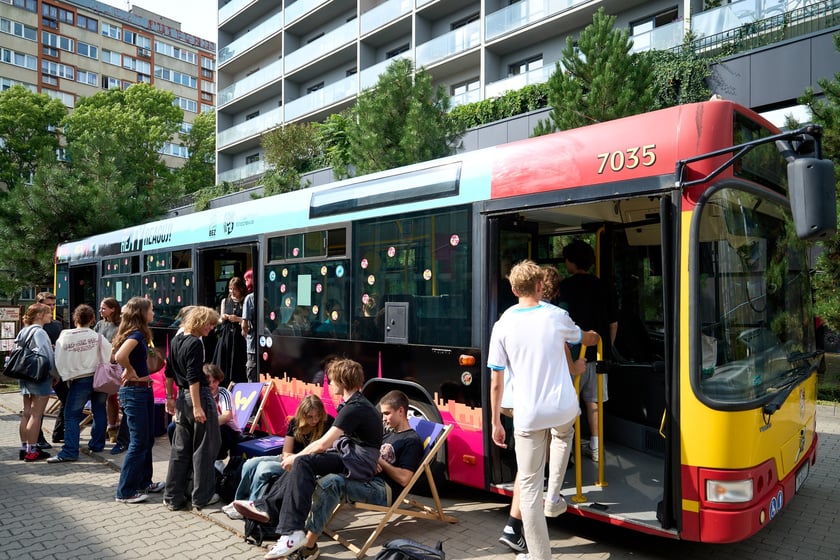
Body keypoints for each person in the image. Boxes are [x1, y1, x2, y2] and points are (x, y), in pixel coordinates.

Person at [489, 259, 599, 560]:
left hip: (528, 414)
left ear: (513, 289)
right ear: (540, 286)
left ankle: (539, 555)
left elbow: (496, 381)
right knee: (564, 436)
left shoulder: (503, 325)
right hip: (563, 408)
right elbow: (581, 338)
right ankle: (554, 496)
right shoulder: (557, 316)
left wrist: (495, 420)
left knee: (527, 486)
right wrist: (595, 337)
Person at [258, 358, 383, 559]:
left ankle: (292, 532)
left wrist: (295, 457)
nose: (330, 383)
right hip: (352, 457)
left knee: (302, 461)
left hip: (357, 462)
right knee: (303, 464)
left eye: (332, 380)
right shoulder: (355, 404)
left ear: (342, 381)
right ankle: (281, 522)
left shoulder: (355, 407)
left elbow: (323, 444)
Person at [296, 390, 424, 560]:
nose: (384, 418)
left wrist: (381, 462)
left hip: (382, 489)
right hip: (366, 475)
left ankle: (309, 547)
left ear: (401, 411)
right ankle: (297, 531)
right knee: (314, 471)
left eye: (387, 413)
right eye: (382, 414)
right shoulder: (387, 433)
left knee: (331, 483)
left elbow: (404, 478)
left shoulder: (412, 440)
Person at [221, 394, 333, 520]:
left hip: (307, 464)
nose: (314, 420)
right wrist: (289, 458)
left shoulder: (327, 422)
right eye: (310, 417)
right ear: (302, 415)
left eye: (317, 416)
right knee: (249, 463)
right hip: (288, 458)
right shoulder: (295, 423)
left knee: (264, 468)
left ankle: (254, 506)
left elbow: (325, 451)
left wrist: (293, 459)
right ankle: (239, 501)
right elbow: (286, 452)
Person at [558, 240, 618, 463]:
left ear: (571, 261)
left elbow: (562, 322)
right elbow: (613, 323)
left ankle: (569, 450)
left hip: (573, 357)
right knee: (594, 402)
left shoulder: (565, 287)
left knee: (569, 403)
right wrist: (605, 349)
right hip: (599, 355)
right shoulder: (604, 286)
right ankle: (595, 446)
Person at [163, 305, 222, 511]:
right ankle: (201, 497)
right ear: (199, 322)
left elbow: (168, 371)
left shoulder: (177, 339)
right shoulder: (195, 343)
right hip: (197, 398)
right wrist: (198, 406)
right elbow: (193, 378)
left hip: (180, 398)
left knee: (180, 450)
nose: (212, 328)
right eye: (209, 323)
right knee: (204, 448)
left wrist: (170, 397)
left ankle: (172, 496)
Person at [113, 297, 165, 504]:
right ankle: (125, 492)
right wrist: (130, 369)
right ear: (141, 313)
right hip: (135, 392)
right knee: (138, 442)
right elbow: (118, 356)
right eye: (151, 309)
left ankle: (144, 481)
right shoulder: (135, 334)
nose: (153, 313)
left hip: (141, 391)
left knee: (146, 440)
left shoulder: (136, 334)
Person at [48, 304, 110, 462]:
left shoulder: (65, 335)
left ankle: (70, 451)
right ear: (92, 319)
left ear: (75, 318)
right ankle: (97, 445)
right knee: (100, 411)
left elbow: (58, 357)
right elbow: (109, 356)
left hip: (79, 379)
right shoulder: (98, 337)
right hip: (99, 378)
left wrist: (61, 375)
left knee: (71, 415)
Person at [16, 303, 57, 462]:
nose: (51, 315)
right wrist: (55, 374)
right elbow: (47, 356)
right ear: (39, 315)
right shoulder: (40, 333)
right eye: (48, 313)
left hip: (24, 375)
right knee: (36, 415)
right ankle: (32, 451)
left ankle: (24, 447)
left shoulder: (24, 331)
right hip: (39, 376)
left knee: (26, 413)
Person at [35, 291, 64, 447]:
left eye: (53, 305)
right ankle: (37, 438)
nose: (52, 308)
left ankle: (59, 433)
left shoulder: (58, 324)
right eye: (48, 305)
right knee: (37, 407)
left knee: (67, 399)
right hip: (41, 370)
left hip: (57, 369)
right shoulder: (36, 326)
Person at [94, 298, 124, 447]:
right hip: (102, 365)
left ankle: (116, 427)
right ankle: (110, 426)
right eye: (100, 308)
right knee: (106, 397)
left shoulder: (120, 325)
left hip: (116, 364)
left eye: (103, 308)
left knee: (115, 397)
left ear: (113, 309)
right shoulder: (100, 324)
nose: (100, 311)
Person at [205, 363, 242, 465]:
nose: (212, 385)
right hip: (209, 429)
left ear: (219, 380)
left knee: (217, 430)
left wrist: (206, 423)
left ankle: (217, 460)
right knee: (173, 428)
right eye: (208, 382)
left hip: (230, 431)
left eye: (214, 381)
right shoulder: (201, 394)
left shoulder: (224, 393)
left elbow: (227, 416)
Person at [214, 276, 248, 385]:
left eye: (234, 289)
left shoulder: (246, 301)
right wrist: (222, 318)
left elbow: (250, 321)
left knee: (238, 363)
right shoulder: (225, 301)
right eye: (230, 289)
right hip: (226, 336)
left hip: (239, 337)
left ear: (241, 289)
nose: (232, 292)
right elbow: (219, 320)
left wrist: (238, 319)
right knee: (224, 363)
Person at [241, 269, 258, 382]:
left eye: (247, 279)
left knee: (251, 373)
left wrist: (244, 333)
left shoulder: (249, 298)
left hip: (252, 344)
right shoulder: (264, 296)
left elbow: (244, 323)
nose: (245, 282)